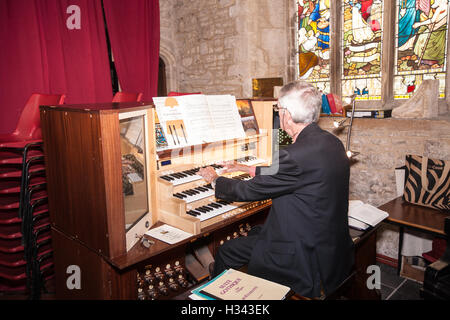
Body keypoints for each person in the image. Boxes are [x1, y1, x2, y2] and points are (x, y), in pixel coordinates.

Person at [198, 80, 354, 298]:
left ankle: (216, 297)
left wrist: (215, 179)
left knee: (226, 250)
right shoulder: (331, 143)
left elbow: (247, 192)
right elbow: (292, 175)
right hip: (329, 242)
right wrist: (244, 167)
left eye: (278, 109)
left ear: (287, 115)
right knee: (255, 231)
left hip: (300, 253)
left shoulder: (293, 155)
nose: (278, 114)